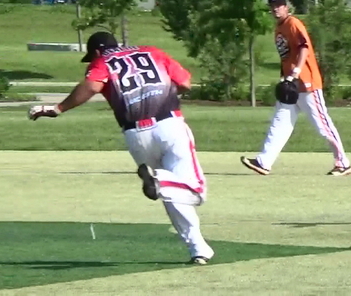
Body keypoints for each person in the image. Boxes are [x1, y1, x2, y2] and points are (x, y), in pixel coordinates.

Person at [27, 31, 215, 264]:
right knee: (195, 191)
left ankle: (198, 248)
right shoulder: (152, 52)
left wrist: (57, 109)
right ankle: (160, 183)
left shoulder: (102, 61)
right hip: (169, 125)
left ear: (97, 51)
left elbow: (92, 85)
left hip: (136, 135)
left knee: (172, 193)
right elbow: (185, 82)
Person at [240, 0, 351, 176]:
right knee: (280, 123)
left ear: (286, 7)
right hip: (291, 85)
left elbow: (304, 47)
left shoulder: (293, 24)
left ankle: (343, 163)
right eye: (272, 7)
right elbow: (286, 57)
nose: (275, 9)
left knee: (322, 125)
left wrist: (296, 72)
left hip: (308, 83)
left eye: (279, 6)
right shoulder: (279, 28)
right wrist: (285, 77)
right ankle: (264, 162)